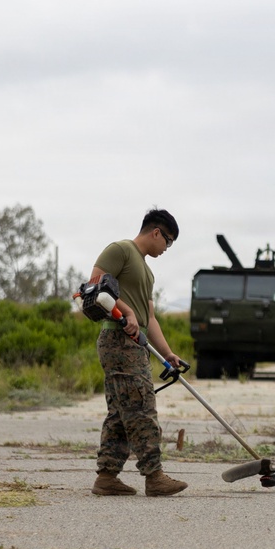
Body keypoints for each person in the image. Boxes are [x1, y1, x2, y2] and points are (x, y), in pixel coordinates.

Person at [89, 208, 188, 497]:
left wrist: (167, 354)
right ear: (156, 232)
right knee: (141, 407)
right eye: (168, 241)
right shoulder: (121, 250)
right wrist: (127, 312)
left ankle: (106, 477)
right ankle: (154, 477)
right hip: (118, 339)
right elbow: (95, 284)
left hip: (136, 343)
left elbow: (150, 318)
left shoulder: (147, 271)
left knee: (121, 412)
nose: (167, 248)